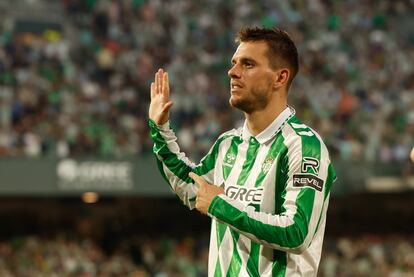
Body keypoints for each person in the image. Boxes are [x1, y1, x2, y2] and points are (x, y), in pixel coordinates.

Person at [148, 27, 336, 276]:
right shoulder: (228, 144)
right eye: (234, 63)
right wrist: (160, 130)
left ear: (280, 78)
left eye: (248, 65)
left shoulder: (302, 146)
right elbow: (193, 189)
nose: (233, 72)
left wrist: (220, 205)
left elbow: (296, 232)